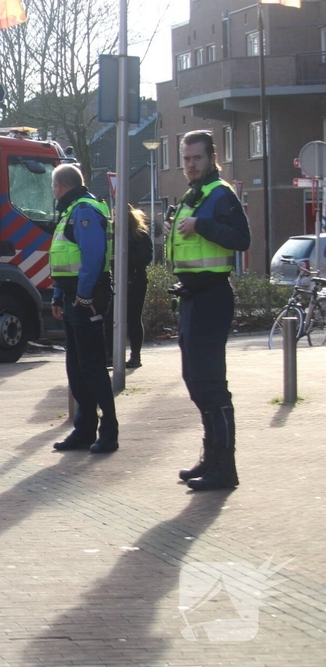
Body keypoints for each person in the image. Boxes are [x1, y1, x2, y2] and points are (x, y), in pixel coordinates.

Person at [168, 130, 250, 491]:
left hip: (212, 297)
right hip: (192, 298)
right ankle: (210, 457)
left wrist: (200, 224)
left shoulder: (220, 194)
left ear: (211, 158)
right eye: (186, 158)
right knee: (195, 382)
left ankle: (225, 467)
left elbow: (241, 239)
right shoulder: (194, 194)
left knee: (211, 385)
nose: (190, 164)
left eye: (196, 158)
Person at [49, 163, 119, 454]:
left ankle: (109, 431)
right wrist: (57, 296)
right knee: (77, 367)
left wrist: (84, 296)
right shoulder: (72, 210)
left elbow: (92, 257)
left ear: (58, 187)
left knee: (92, 367)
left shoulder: (84, 210)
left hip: (85, 298)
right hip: (72, 297)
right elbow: (67, 260)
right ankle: (85, 429)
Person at [104, 205, 154, 368]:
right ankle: (110, 355)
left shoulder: (140, 236)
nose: (115, 219)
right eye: (114, 215)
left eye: (119, 215)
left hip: (135, 281)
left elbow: (145, 258)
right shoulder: (111, 235)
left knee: (132, 319)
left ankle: (135, 356)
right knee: (110, 318)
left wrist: (123, 254)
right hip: (114, 281)